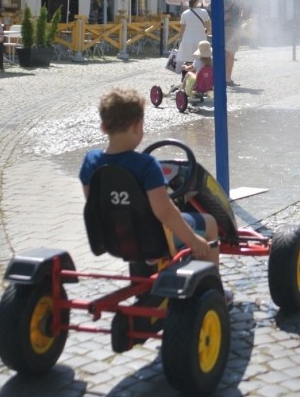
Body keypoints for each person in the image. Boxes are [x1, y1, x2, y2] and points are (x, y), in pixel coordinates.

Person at [79, 88, 220, 266]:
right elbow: (164, 211)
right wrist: (193, 241)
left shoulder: (90, 162)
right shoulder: (146, 165)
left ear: (103, 127)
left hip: (115, 235)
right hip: (153, 238)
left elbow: (94, 204)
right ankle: (212, 284)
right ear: (138, 126)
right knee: (210, 223)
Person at [176, 0, 211, 76]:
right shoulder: (204, 12)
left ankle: (185, 82)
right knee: (199, 62)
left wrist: (179, 38)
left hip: (187, 40)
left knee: (187, 61)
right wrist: (205, 33)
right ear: (198, 0)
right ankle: (198, 82)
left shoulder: (185, 13)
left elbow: (182, 30)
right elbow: (208, 28)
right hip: (200, 40)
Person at [223, 0, 246, 86]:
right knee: (228, 53)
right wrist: (222, 16)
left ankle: (228, 78)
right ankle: (224, 78)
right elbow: (213, 7)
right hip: (227, 26)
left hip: (236, 26)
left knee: (231, 54)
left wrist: (242, 15)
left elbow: (243, 8)